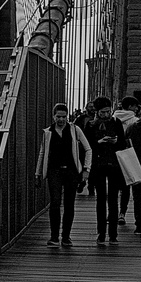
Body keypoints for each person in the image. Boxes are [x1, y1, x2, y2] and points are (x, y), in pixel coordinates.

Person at [34, 102, 92, 247]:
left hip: (71, 171)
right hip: (54, 170)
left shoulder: (75, 129)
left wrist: (86, 169)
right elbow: (42, 152)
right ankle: (54, 237)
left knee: (69, 204)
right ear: (54, 116)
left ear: (67, 117)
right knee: (55, 202)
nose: (61, 120)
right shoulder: (48, 132)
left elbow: (88, 149)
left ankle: (66, 237)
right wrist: (38, 172)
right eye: (58, 116)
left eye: (64, 117)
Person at [86, 96, 129, 243]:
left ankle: (113, 234)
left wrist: (116, 141)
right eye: (103, 112)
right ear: (97, 112)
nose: (106, 114)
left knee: (112, 199)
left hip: (114, 165)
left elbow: (123, 143)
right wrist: (99, 142)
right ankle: (101, 233)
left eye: (108, 111)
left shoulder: (116, 122)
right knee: (100, 199)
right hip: (98, 165)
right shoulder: (90, 125)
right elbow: (86, 146)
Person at [112, 95, 141, 225]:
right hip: (128, 155)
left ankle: (111, 212)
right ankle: (122, 213)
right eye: (135, 106)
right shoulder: (135, 121)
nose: (136, 109)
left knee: (112, 186)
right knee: (126, 187)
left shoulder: (112, 118)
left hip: (112, 155)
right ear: (130, 107)